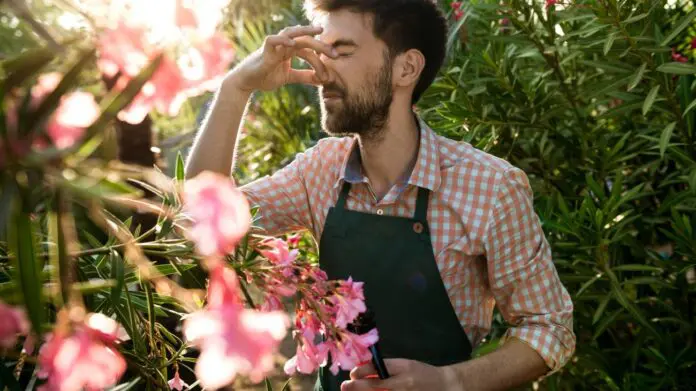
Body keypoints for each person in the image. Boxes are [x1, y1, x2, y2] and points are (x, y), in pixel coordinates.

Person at [185, 0, 575, 390]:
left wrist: (449, 381)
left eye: (342, 51)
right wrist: (237, 87)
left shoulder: (490, 187)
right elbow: (202, 217)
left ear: (406, 68)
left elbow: (549, 327)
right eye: (321, 51)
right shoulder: (319, 171)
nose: (323, 71)